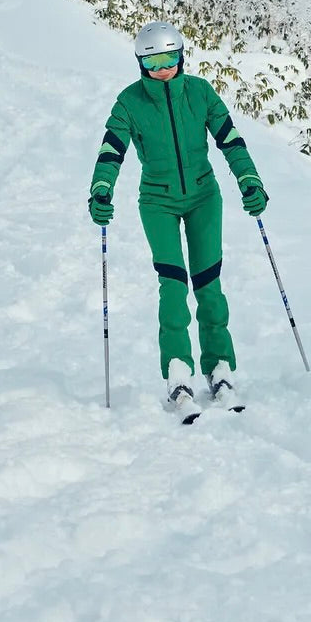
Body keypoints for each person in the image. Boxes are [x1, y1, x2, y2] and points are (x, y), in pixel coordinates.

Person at [88, 21, 268, 413]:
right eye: (153, 62)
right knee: (173, 286)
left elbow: (231, 140)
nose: (163, 69)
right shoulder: (129, 103)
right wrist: (101, 188)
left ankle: (219, 368)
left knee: (208, 284)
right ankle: (178, 373)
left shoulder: (200, 92)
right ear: (140, 63)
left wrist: (249, 180)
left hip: (204, 197)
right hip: (158, 202)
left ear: (182, 56)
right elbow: (111, 150)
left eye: (169, 59)